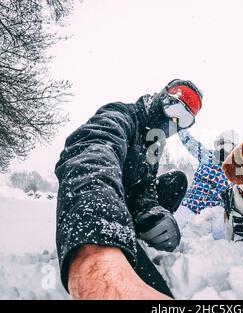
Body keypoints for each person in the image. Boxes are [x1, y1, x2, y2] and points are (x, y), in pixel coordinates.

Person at [54, 79, 203, 299]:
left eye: (184, 119)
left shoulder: (155, 145)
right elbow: (93, 152)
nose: (174, 120)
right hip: (106, 204)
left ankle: (140, 229)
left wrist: (153, 212)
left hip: (130, 209)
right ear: (159, 99)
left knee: (177, 180)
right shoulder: (122, 115)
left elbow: (145, 189)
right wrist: (96, 238)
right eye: (174, 108)